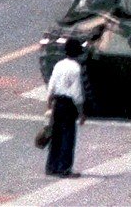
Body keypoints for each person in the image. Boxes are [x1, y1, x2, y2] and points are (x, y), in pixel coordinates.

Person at [45, 38, 87, 178]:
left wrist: (49, 103)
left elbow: (51, 85)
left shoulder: (59, 65)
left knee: (56, 136)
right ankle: (64, 168)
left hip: (58, 102)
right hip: (69, 105)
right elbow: (77, 92)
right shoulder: (75, 68)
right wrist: (81, 112)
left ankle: (52, 166)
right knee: (68, 137)